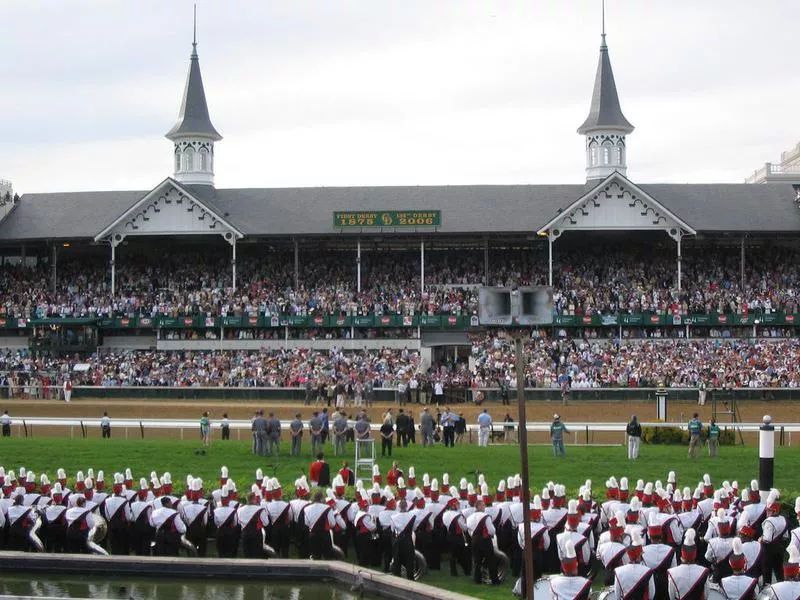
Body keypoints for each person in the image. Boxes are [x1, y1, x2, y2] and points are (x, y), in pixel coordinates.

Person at [467, 499, 500, 585]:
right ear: (478, 507)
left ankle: (477, 579)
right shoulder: (485, 516)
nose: (484, 507)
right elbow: (492, 530)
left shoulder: (470, 517)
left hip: (474, 540)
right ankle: (495, 580)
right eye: (482, 505)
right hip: (485, 540)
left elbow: (470, 530)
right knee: (491, 560)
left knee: (477, 561)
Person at [391, 499, 416, 580]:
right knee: (409, 560)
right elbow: (414, 528)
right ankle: (410, 578)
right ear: (406, 506)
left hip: (398, 540)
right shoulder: (412, 516)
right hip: (408, 540)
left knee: (397, 560)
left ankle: (397, 578)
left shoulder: (393, 517)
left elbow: (392, 529)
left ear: (399, 506)